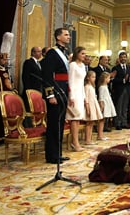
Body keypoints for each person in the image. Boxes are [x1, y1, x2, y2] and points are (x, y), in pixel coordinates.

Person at [41, 27, 72, 164]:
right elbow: (47, 75)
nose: (69, 37)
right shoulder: (52, 53)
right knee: (53, 124)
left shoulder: (63, 53)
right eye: (66, 35)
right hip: (55, 93)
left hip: (63, 92)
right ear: (58, 37)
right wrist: (50, 95)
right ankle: (51, 155)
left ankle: (58, 153)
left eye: (69, 35)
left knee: (59, 125)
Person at [66, 46, 87, 152]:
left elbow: (82, 82)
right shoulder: (73, 65)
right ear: (77, 54)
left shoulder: (83, 65)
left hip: (80, 93)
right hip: (73, 94)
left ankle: (75, 141)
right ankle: (75, 142)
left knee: (78, 118)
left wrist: (84, 97)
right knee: (74, 118)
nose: (85, 56)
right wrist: (71, 96)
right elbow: (70, 81)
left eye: (85, 54)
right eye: (82, 53)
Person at [83, 70, 105, 143]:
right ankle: (87, 140)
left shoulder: (92, 86)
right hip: (89, 106)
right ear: (88, 78)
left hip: (93, 105)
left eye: (95, 77)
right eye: (92, 77)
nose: (94, 78)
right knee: (89, 123)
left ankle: (89, 139)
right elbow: (86, 98)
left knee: (91, 123)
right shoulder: (86, 87)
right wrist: (87, 108)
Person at [111, 51, 130, 130]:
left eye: (125, 57)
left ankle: (124, 122)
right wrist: (123, 80)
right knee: (118, 107)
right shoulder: (115, 68)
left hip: (127, 90)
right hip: (119, 90)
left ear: (126, 58)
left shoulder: (129, 68)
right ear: (119, 58)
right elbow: (113, 80)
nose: (123, 58)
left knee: (125, 107)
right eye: (122, 57)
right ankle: (118, 123)